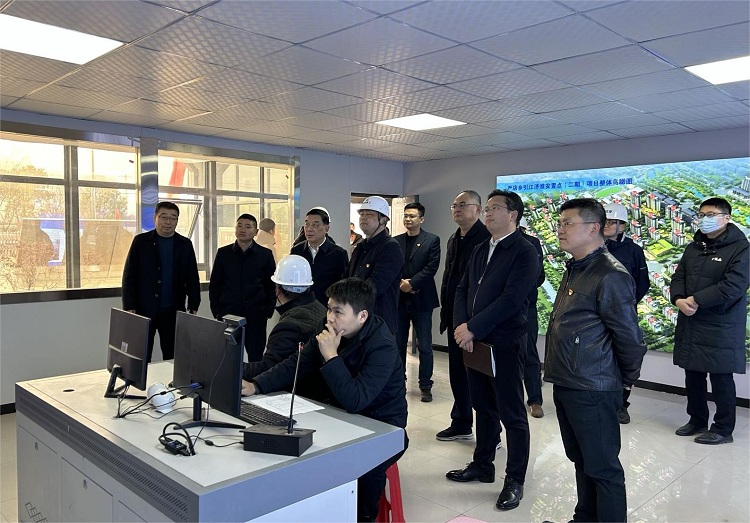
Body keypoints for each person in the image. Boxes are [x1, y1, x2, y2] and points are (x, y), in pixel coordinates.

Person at [242, 277, 407, 522]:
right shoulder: (329, 328)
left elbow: (356, 400)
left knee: (366, 468)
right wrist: (257, 385)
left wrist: (331, 356)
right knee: (300, 450)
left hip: (384, 425)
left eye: (338, 312)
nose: (329, 317)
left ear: (362, 316)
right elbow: (297, 363)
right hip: (342, 417)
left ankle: (364, 516)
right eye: (329, 309)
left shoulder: (382, 346)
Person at [545, 198, 647, 523]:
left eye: (568, 223)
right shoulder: (577, 267)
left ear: (593, 228)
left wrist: (624, 381)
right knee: (581, 459)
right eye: (559, 223)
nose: (560, 229)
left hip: (593, 386)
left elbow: (629, 338)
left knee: (603, 468)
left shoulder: (610, 274)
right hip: (568, 379)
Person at [445, 190, 539, 512]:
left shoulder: (524, 251)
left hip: (504, 343)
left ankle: (515, 480)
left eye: (494, 208)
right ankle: (482, 465)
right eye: (486, 208)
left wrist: (474, 327)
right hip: (474, 342)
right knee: (483, 407)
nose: (487, 213)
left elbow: (512, 300)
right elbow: (462, 288)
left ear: (513, 214)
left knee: (512, 414)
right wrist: (463, 328)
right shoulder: (481, 248)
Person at [670, 197, 748, 445]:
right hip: (691, 319)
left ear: (726, 217)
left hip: (721, 323)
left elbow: (733, 286)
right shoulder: (694, 247)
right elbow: (678, 276)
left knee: (721, 377)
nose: (705, 219)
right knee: (692, 374)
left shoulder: (741, 248)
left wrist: (695, 300)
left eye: (711, 214)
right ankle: (697, 420)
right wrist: (678, 299)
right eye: (702, 214)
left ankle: (723, 429)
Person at [436, 190, 490, 442]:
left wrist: (472, 323)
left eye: (463, 204)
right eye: (454, 205)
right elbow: (450, 279)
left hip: (475, 322)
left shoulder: (486, 239)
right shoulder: (454, 238)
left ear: (478, 210)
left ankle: (491, 433)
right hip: (455, 317)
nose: (457, 209)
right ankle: (461, 422)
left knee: (479, 379)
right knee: (457, 373)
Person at [122, 201, 200, 361]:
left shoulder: (184, 244)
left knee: (173, 357)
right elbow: (129, 275)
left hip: (173, 310)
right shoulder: (141, 242)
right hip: (144, 310)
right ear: (155, 218)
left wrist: (193, 305)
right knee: (141, 356)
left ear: (177, 221)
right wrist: (129, 306)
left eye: (173, 218)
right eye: (164, 217)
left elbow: (192, 277)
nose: (168, 222)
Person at [241, 255, 326, 387]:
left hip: (296, 391)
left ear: (277, 290)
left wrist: (231, 365)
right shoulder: (321, 309)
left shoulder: (289, 326)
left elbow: (267, 370)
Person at [603, 202, 651, 424]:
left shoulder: (633, 251)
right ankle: (604, 401)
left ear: (622, 226)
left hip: (624, 316)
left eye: (612, 222)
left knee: (625, 358)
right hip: (597, 316)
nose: (607, 225)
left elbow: (642, 283)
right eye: (604, 221)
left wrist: (625, 307)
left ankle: (622, 404)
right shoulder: (594, 247)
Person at [209, 214, 276, 363]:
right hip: (229, 314)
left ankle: (253, 379)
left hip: (256, 314)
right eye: (239, 226)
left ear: (256, 231)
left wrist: (268, 310)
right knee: (229, 356)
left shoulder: (265, 255)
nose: (242, 230)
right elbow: (215, 284)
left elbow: (271, 285)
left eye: (247, 226)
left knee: (256, 357)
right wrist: (217, 311)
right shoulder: (224, 253)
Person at [394, 202, 441, 402]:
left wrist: (411, 284)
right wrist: (401, 284)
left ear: (422, 219)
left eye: (412, 216)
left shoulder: (432, 240)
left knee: (425, 346)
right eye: (406, 215)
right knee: (398, 344)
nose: (408, 219)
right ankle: (398, 381)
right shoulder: (395, 241)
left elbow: (431, 268)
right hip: (399, 300)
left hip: (422, 299)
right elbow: (392, 267)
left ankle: (425, 385)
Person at [347, 196, 403, 335]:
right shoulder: (360, 247)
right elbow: (348, 277)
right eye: (362, 214)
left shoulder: (390, 247)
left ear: (383, 219)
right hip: (357, 319)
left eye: (369, 214)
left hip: (379, 322)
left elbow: (376, 285)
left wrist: (350, 298)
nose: (363, 218)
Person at [291, 207, 349, 306]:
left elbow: (342, 285)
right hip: (300, 306)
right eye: (307, 224)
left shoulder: (338, 254)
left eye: (315, 225)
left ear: (326, 228)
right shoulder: (297, 251)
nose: (309, 229)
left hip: (326, 307)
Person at [518, 216, 546, 418]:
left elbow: (539, 275)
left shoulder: (531, 243)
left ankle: (535, 400)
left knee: (529, 353)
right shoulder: (494, 243)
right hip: (500, 308)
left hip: (526, 306)